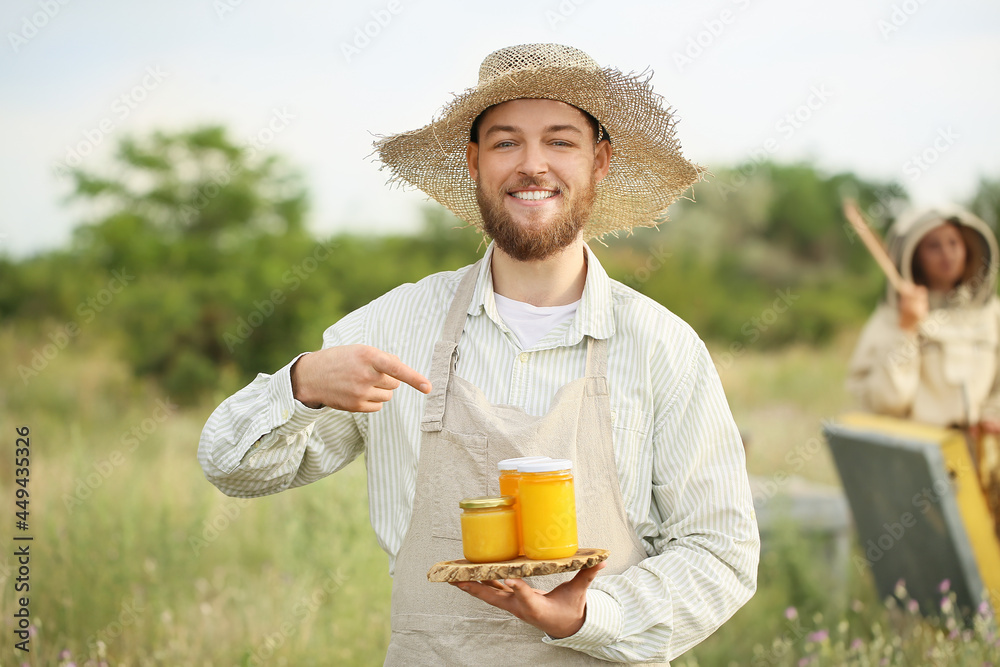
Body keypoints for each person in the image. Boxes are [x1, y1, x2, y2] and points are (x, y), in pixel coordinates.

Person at [199, 43, 759, 665]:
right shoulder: (393, 326)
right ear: (473, 161)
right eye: (505, 142)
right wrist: (299, 384)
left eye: (560, 141)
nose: (532, 165)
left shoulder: (662, 346)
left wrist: (590, 615)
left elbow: (721, 554)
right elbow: (230, 466)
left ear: (600, 161)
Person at [846, 204, 1000, 538]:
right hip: (924, 466)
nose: (947, 254)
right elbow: (888, 401)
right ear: (915, 255)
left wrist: (992, 414)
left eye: (953, 243)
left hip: (983, 459)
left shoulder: (991, 315)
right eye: (934, 245)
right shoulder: (890, 320)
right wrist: (907, 330)